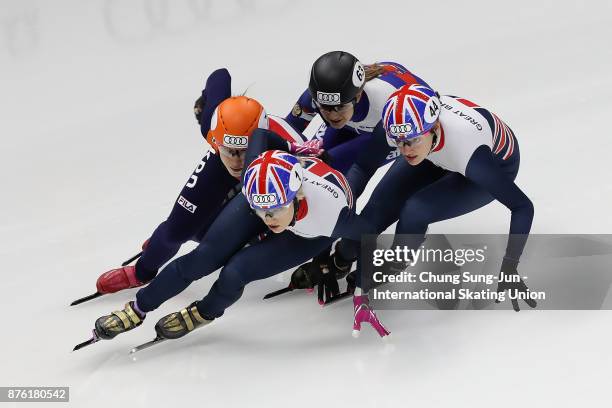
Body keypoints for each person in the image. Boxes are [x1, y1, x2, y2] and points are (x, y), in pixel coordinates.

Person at [91, 145, 374, 342]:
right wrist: (267, 207)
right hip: (271, 190)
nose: (267, 220)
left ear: (297, 196)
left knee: (236, 271)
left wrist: (349, 272)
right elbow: (261, 137)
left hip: (308, 234)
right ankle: (138, 308)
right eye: (261, 211)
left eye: (273, 211)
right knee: (202, 258)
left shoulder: (333, 215)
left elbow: (368, 235)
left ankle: (204, 312)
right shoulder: (262, 189)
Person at [330, 83, 536, 337]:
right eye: (399, 142)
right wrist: (337, 213)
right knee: (375, 211)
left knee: (415, 210)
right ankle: (340, 257)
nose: (405, 150)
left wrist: (510, 266)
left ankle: (395, 264)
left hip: (492, 163)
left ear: (436, 128)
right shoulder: (398, 125)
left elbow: (523, 206)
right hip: (436, 149)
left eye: (411, 141)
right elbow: (362, 169)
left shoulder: (469, 153)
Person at [89, 69, 313, 299]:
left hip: (269, 172)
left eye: (244, 151)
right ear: (216, 141)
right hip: (219, 168)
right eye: (230, 151)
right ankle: (141, 271)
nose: (236, 161)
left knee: (274, 219)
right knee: (176, 230)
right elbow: (220, 76)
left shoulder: (289, 146)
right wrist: (205, 101)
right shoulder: (213, 125)